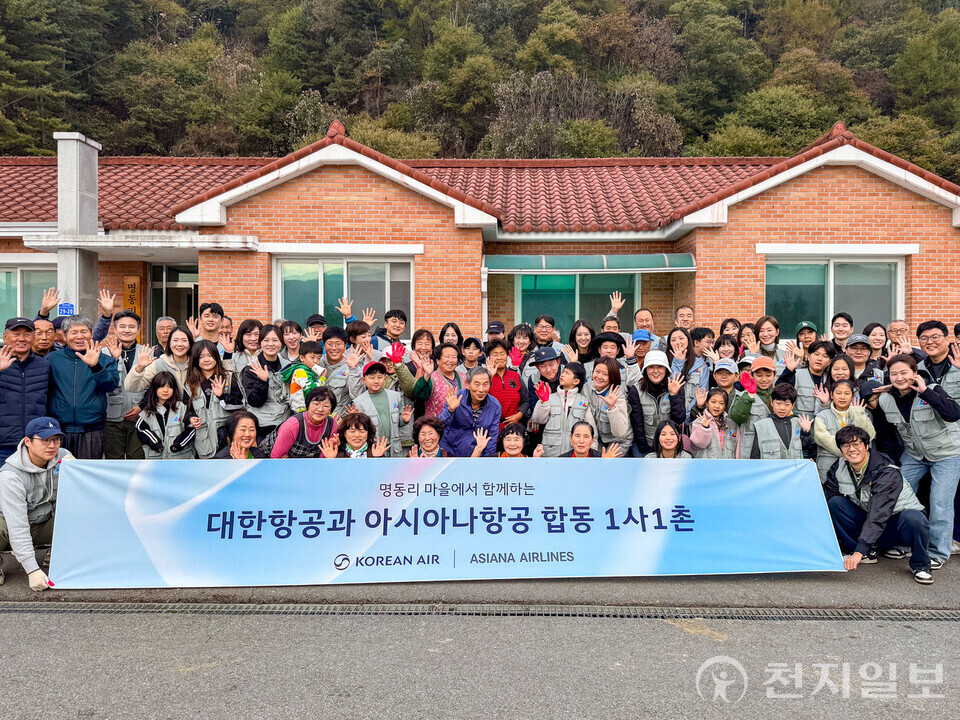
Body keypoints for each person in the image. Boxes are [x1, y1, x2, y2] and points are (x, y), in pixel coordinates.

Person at [876, 353, 960, 568]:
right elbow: (888, 436)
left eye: (904, 372)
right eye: (894, 374)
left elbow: (953, 413)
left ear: (914, 373)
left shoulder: (932, 389)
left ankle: (937, 553)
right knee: (896, 494)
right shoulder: (886, 399)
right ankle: (904, 543)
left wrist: (926, 392)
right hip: (914, 455)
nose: (899, 377)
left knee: (940, 502)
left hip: (947, 453)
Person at [825, 425, 933, 584]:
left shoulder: (886, 471)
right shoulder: (839, 467)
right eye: (846, 445)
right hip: (870, 520)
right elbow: (826, 498)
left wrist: (858, 552)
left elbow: (878, 514)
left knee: (914, 518)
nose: (851, 449)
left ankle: (921, 565)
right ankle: (867, 552)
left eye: (857, 444)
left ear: (867, 446)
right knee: (835, 504)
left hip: (895, 524)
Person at [0, 417, 71, 590]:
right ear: (27, 442)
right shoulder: (10, 476)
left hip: (42, 523)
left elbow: (80, 499)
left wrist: (77, 471)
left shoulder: (62, 456)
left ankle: (57, 555)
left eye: (56, 439)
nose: (52, 445)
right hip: (9, 527)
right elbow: (18, 526)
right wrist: (33, 570)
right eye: (45, 440)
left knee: (79, 516)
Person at [47, 315, 120, 458]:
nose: (79, 336)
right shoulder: (52, 360)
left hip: (92, 430)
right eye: (74, 332)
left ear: (91, 333)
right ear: (65, 335)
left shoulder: (105, 360)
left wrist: (95, 366)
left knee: (89, 475)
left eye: (84, 331)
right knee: (59, 474)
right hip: (60, 430)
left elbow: (110, 386)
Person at [100, 310, 150, 460]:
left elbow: (154, 386)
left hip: (140, 417)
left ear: (138, 329)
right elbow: (101, 383)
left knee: (139, 460)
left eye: (131, 327)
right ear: (115, 329)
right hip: (111, 418)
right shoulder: (103, 353)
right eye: (122, 326)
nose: (127, 330)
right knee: (114, 462)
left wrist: (142, 407)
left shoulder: (147, 353)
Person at [0, 318, 50, 464]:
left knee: (34, 486)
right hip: (3, 444)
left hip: (34, 444)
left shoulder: (45, 365)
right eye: (16, 334)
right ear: (5, 337)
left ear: (33, 337)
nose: (21, 339)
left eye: (27, 334)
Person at [185, 340, 244, 459]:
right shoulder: (190, 384)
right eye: (201, 357)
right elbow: (186, 409)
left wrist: (221, 396)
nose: (206, 360)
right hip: (203, 442)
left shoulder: (228, 377)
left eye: (210, 355)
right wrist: (191, 418)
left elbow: (239, 404)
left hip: (227, 438)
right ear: (195, 360)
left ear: (216, 357)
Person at [813, 380, 876, 484]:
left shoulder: (860, 413)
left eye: (847, 393)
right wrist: (849, 450)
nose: (842, 397)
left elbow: (870, 436)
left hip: (855, 464)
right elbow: (822, 438)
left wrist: (858, 414)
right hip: (827, 464)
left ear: (853, 396)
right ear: (832, 395)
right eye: (838, 393)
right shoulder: (822, 416)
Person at [627, 350, 686, 456]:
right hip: (646, 446)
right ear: (645, 370)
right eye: (651, 367)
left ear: (666, 369)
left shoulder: (676, 387)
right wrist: (645, 449)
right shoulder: (636, 390)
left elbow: (679, 419)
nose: (655, 371)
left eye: (659, 367)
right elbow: (637, 424)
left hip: (671, 446)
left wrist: (674, 396)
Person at [350, 360, 412, 457]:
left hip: (394, 449)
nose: (376, 381)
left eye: (380, 377)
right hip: (373, 449)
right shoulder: (359, 402)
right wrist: (354, 418)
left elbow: (399, 422)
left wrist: (403, 420)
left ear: (385, 378)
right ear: (363, 380)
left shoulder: (395, 396)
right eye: (371, 378)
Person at [241, 324, 292, 440]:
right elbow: (254, 402)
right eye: (266, 340)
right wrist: (262, 381)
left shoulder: (288, 366)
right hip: (262, 426)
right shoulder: (251, 368)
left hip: (285, 425)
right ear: (260, 343)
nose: (270, 344)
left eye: (275, 340)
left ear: (281, 343)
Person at [530, 362, 591, 457]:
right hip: (551, 453)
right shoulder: (549, 397)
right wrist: (544, 402)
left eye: (567, 373)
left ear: (576, 381)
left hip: (574, 453)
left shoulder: (583, 400)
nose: (562, 375)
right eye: (563, 372)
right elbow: (538, 419)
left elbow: (591, 429)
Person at [438, 367, 501, 457]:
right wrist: (450, 410)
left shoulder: (495, 405)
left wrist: (487, 460)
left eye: (485, 384)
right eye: (477, 384)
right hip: (451, 452)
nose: (481, 389)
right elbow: (440, 425)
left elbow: (492, 437)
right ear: (467, 384)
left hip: (478, 454)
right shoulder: (456, 398)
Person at [134, 371, 196, 459]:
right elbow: (140, 429)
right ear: (154, 388)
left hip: (181, 458)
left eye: (170, 387)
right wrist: (155, 443)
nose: (166, 390)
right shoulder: (146, 413)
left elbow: (192, 428)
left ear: (174, 389)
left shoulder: (182, 408)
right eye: (161, 386)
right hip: (156, 461)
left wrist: (178, 444)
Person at [728, 356, 777, 458]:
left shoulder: (780, 395)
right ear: (751, 375)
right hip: (750, 450)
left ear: (775, 375)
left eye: (768, 375)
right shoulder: (743, 395)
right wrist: (749, 395)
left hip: (774, 449)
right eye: (759, 375)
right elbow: (737, 417)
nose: (764, 379)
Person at [268, 387, 338, 458]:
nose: (320, 409)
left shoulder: (332, 425)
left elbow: (325, 458)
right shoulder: (292, 425)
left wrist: (333, 445)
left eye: (326, 406)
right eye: (316, 404)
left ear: (331, 409)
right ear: (308, 404)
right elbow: (275, 458)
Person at [750, 383, 814, 460]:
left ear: (793, 405)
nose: (782, 408)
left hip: (794, 470)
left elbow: (806, 447)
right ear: (772, 402)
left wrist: (806, 432)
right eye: (778, 403)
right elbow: (755, 456)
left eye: (787, 404)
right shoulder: (761, 426)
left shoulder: (798, 423)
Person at [125, 325, 194, 396]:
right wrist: (139, 368)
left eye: (184, 340)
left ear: (190, 343)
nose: (179, 344)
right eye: (175, 340)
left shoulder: (197, 364)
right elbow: (131, 388)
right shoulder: (159, 364)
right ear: (169, 344)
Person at [583, 358, 632, 452]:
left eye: (605, 374)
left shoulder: (618, 396)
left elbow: (620, 433)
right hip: (599, 439)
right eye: (597, 371)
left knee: (606, 464)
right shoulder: (586, 388)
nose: (599, 377)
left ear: (612, 377)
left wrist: (612, 407)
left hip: (619, 441)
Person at [777, 339, 833, 415]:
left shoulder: (831, 379)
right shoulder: (797, 375)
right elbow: (778, 392)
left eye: (825, 356)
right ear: (809, 357)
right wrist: (788, 371)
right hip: (798, 423)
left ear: (829, 361)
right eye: (816, 354)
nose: (820, 359)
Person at [484, 339, 529, 431]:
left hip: (514, 427)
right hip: (491, 428)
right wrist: (489, 376)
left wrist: (519, 415)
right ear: (488, 358)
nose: (499, 357)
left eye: (502, 354)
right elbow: (480, 398)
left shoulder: (515, 375)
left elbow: (526, 400)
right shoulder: (483, 377)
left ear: (507, 356)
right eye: (495, 354)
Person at [411, 343, 464, 418]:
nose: (451, 360)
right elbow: (419, 396)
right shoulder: (432, 378)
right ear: (438, 360)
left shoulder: (463, 376)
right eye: (447, 357)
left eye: (454, 357)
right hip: (437, 425)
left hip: (460, 425)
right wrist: (427, 375)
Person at [689, 388, 739, 459]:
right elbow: (700, 444)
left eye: (721, 403)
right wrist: (705, 428)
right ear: (707, 403)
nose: (717, 406)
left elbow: (737, 448)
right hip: (707, 466)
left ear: (725, 406)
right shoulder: (699, 422)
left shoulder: (732, 424)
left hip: (728, 466)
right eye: (713, 402)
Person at [916, 321, 960, 402]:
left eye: (935, 337)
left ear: (947, 340)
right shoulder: (918, 369)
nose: (929, 342)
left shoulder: (958, 362)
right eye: (924, 338)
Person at [280, 340, 326, 414]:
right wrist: (323, 378)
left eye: (318, 358)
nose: (316, 361)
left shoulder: (305, 370)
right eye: (312, 357)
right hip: (302, 409)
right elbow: (311, 390)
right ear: (302, 358)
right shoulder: (301, 371)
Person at [320, 412, 391, 458]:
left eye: (362, 431)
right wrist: (329, 460)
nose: (357, 435)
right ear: (344, 433)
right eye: (352, 431)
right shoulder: (335, 451)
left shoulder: (375, 451)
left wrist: (377, 458)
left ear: (368, 433)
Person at [319, 327, 351, 407]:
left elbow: (357, 395)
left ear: (345, 345)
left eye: (338, 344)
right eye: (329, 344)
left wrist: (354, 369)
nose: (334, 348)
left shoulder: (351, 366)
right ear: (324, 345)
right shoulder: (317, 363)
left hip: (339, 416)